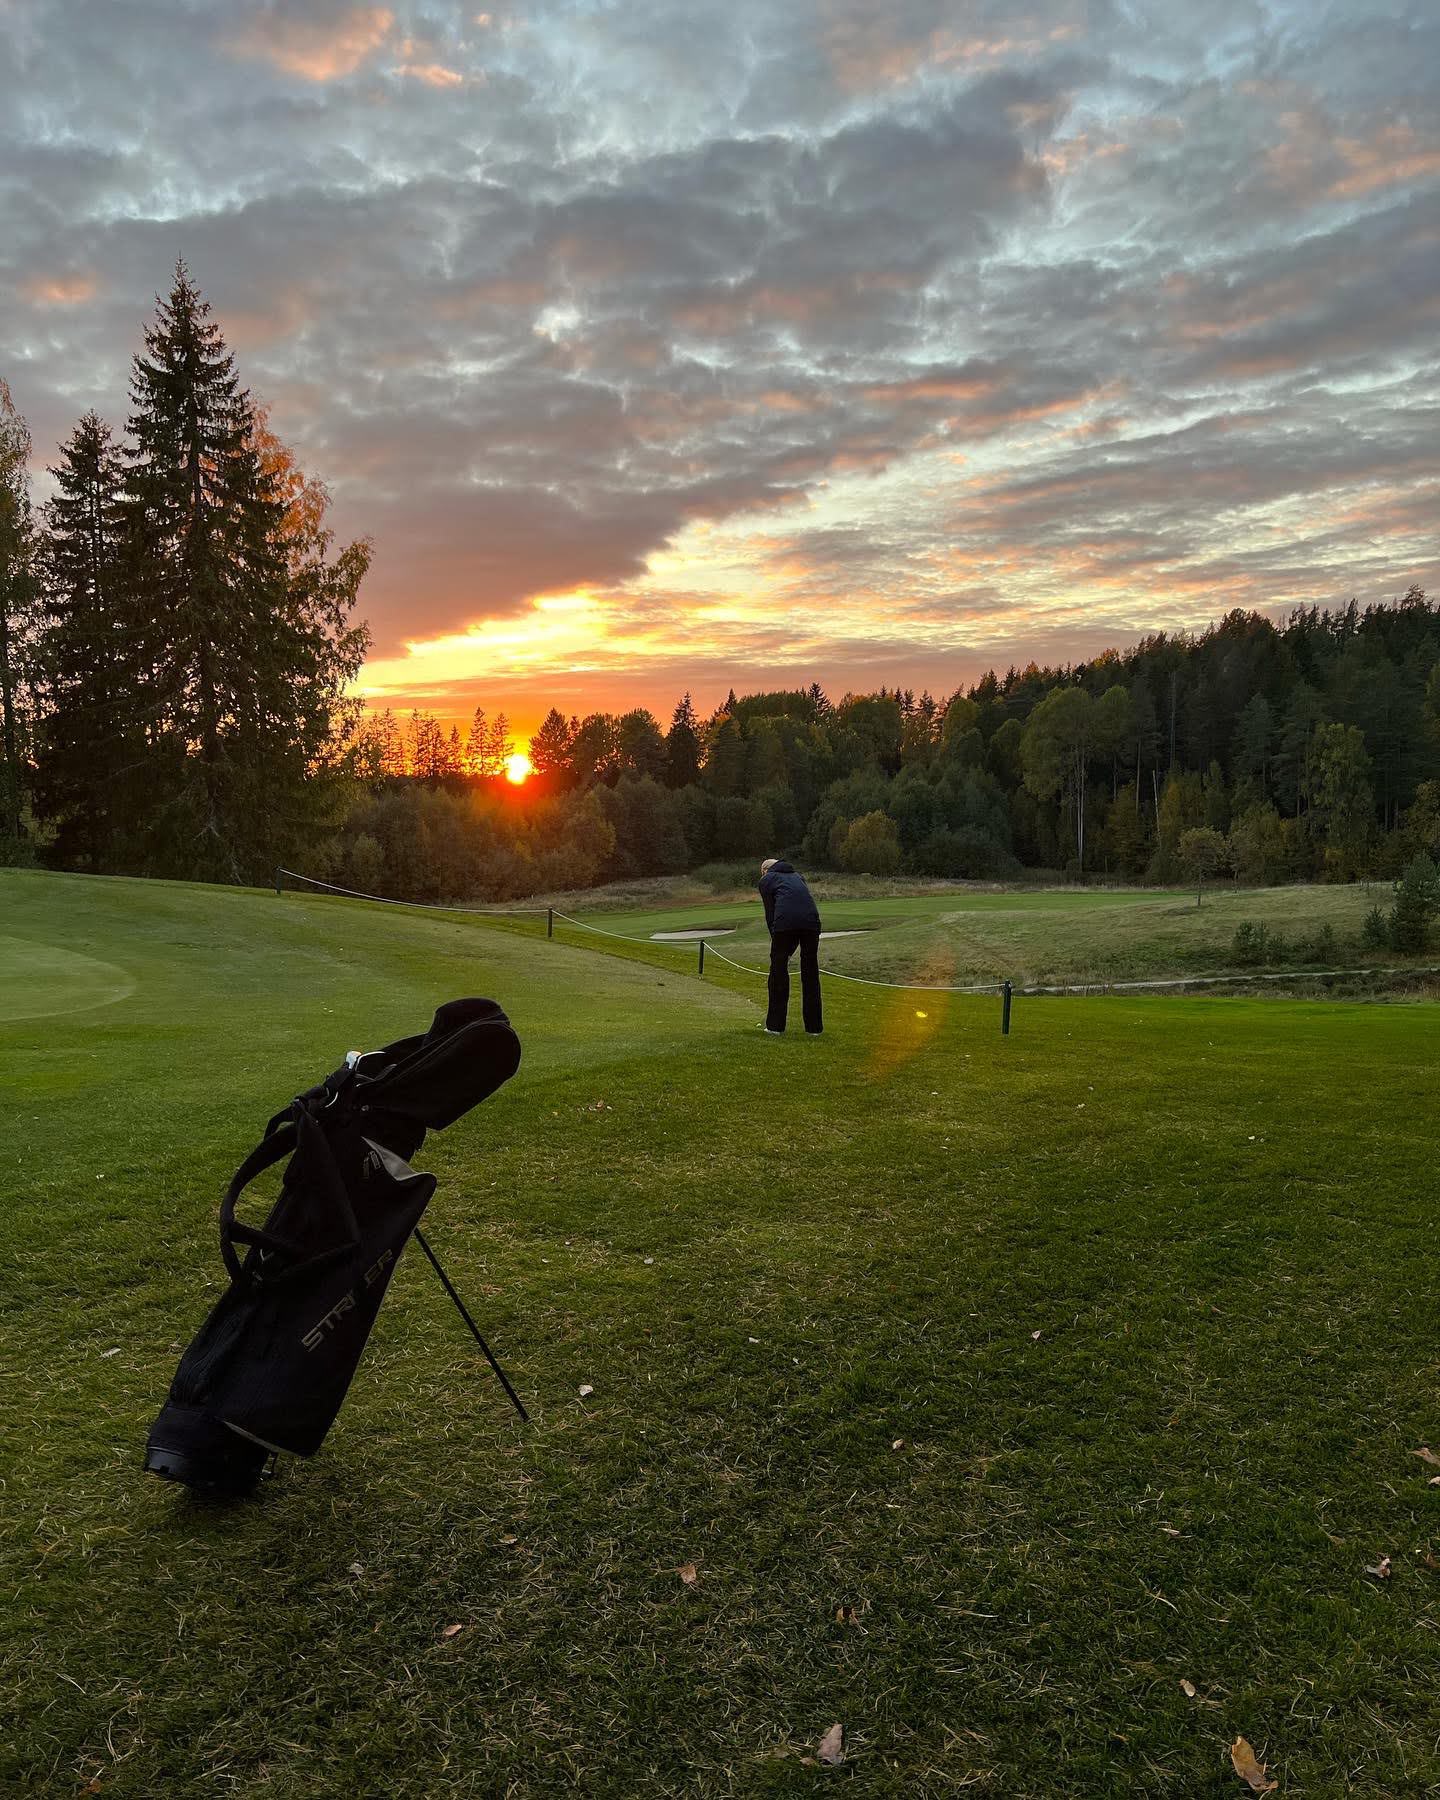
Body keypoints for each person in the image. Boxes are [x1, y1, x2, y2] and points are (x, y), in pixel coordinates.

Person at [757, 857, 823, 1035]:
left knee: (778, 973)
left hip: (784, 924)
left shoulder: (766, 880)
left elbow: (770, 913)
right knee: (810, 973)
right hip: (812, 923)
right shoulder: (798, 876)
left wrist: (778, 945)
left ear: (765, 871)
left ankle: (775, 1026)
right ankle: (814, 1028)